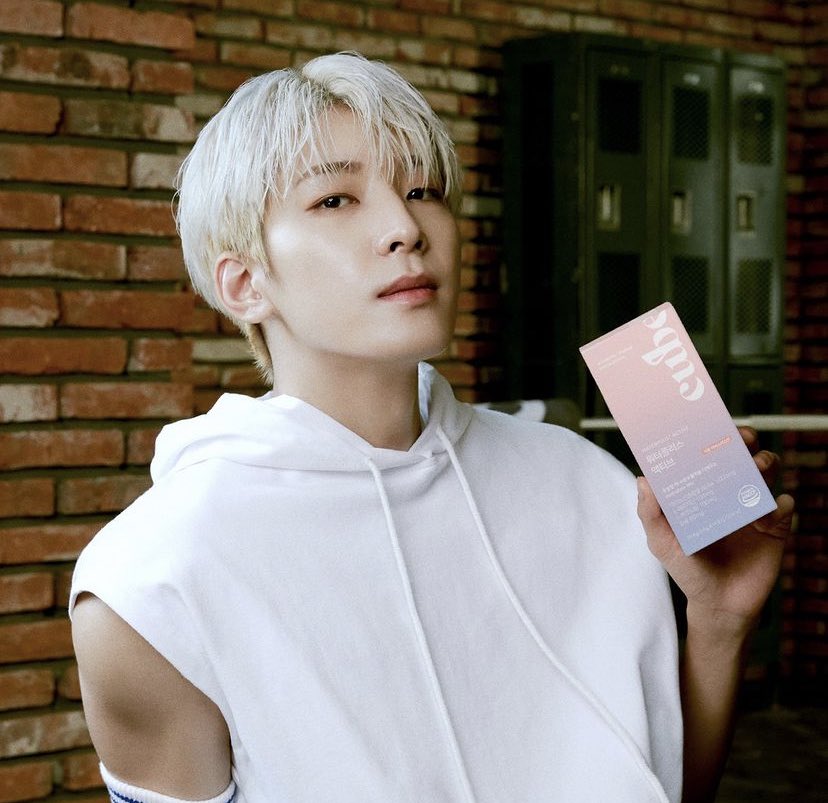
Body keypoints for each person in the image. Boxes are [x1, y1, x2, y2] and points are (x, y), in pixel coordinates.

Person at [70, 51, 794, 803]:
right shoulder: (150, 583)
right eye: (335, 199)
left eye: (422, 190)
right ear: (245, 283)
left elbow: (660, 786)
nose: (404, 228)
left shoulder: (589, 482)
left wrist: (719, 622)